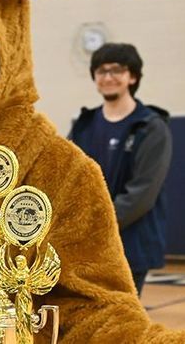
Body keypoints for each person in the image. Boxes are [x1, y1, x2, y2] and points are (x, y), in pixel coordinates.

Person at [69, 43, 173, 296]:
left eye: (117, 70)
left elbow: (142, 194)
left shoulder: (150, 128)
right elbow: (68, 178)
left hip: (131, 244)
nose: (108, 77)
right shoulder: (84, 125)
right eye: (101, 71)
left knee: (121, 320)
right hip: (87, 245)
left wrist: (96, 223)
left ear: (132, 76)